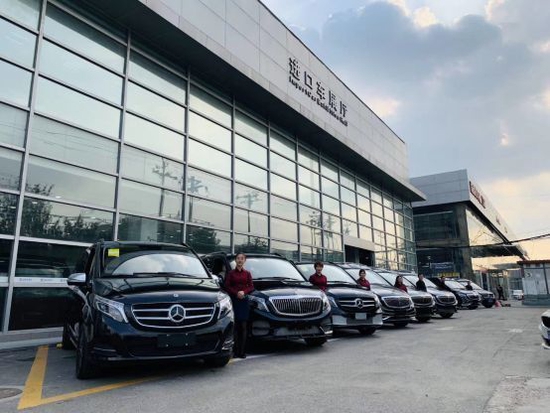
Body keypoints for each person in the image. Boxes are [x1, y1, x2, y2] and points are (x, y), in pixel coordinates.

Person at [224, 252, 254, 358]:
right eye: (238, 258)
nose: (240, 260)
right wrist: (236, 293)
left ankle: (242, 351)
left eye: (242, 258)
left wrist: (244, 292)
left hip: (244, 301)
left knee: (244, 326)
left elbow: (251, 286)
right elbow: (227, 286)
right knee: (236, 326)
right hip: (235, 300)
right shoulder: (231, 273)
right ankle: (235, 351)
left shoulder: (247, 273)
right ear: (235, 260)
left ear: (244, 260)